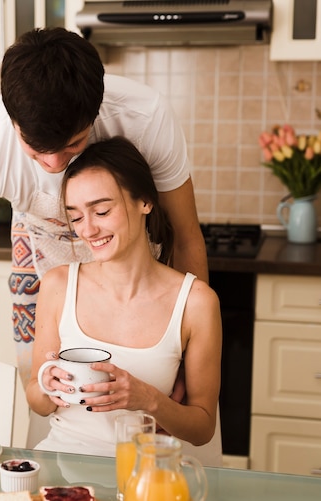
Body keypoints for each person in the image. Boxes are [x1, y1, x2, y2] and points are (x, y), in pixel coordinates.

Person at [0, 27, 208, 450]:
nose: (53, 165)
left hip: (143, 269)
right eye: (35, 150)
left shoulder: (145, 117)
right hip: (42, 261)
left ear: (96, 112)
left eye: (72, 145)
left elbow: (187, 235)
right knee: (50, 397)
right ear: (10, 118)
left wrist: (183, 364)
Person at [27, 137, 222, 463]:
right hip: (61, 467)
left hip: (145, 473)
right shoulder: (58, 284)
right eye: (75, 217)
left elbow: (202, 429)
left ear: (144, 201)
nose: (88, 230)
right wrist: (48, 385)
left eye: (101, 210)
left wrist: (150, 400)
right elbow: (36, 399)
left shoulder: (196, 302)